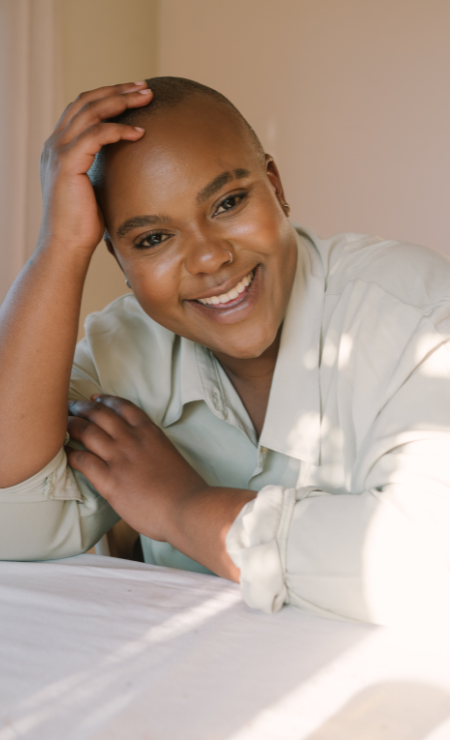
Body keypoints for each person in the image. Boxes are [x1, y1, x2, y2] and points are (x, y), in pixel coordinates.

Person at [1, 76, 450, 626]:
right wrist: (60, 246)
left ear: (275, 185)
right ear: (118, 260)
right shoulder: (122, 350)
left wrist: (185, 510)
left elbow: (430, 565)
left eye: (228, 202)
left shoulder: (414, 313)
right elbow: (14, 523)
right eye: (152, 239)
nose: (210, 258)